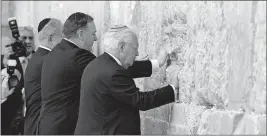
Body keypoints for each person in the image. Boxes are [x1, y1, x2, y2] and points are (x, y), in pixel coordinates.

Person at [38, 12, 168, 135]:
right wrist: (157, 63)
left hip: (49, 123)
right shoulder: (77, 56)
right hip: (64, 127)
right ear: (81, 34)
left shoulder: (58, 51)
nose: (95, 38)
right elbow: (110, 69)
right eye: (93, 33)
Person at [74, 26, 179, 135]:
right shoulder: (114, 73)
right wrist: (172, 89)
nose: (137, 53)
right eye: (135, 48)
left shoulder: (98, 64)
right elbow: (140, 101)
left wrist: (158, 62)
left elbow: (127, 69)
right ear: (122, 47)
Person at [23, 18, 63, 135]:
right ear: (50, 39)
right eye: (62, 37)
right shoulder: (48, 61)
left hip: (33, 126)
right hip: (39, 128)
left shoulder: (38, 57)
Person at [1, 26, 36, 135]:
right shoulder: (7, 59)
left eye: (31, 38)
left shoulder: (40, 59)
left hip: (33, 117)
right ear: (17, 42)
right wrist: (5, 60)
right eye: (24, 38)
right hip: (9, 118)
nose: (28, 41)